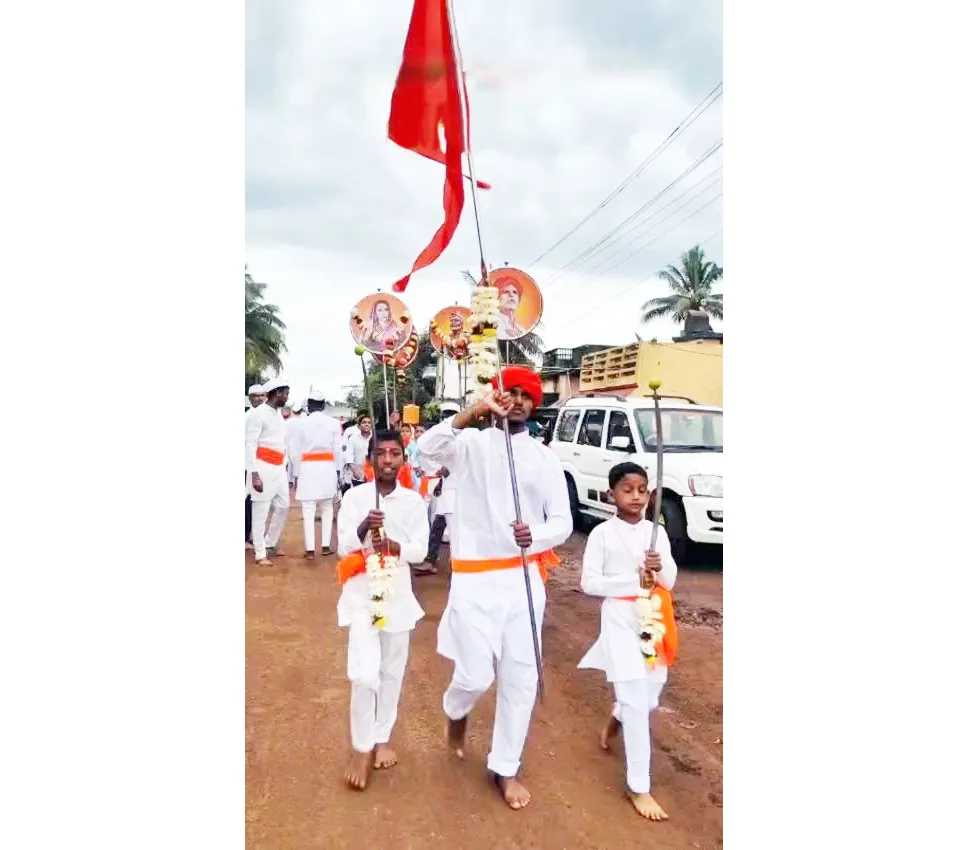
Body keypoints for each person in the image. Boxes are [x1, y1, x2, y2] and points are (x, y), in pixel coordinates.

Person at [416, 365, 573, 810]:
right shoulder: (470, 445)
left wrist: (535, 536)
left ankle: (505, 767)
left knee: (521, 677)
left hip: (523, 580)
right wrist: (472, 412)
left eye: (526, 394)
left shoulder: (545, 458)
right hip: (473, 579)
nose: (517, 400)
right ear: (495, 397)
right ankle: (456, 711)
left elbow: (562, 522)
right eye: (509, 392)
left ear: (534, 404)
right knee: (474, 675)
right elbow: (426, 452)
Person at [578, 461, 679, 822]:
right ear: (612, 494)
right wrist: (633, 580)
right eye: (627, 490)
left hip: (653, 617)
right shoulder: (602, 534)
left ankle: (616, 717)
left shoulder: (656, 533)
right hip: (620, 619)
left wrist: (659, 566)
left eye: (641, 490)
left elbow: (670, 581)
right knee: (637, 701)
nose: (635, 496)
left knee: (648, 697)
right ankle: (639, 786)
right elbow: (589, 583)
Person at [335, 429, 429, 791]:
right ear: (370, 459)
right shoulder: (355, 497)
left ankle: (381, 737)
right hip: (363, 596)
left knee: (391, 672)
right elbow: (344, 547)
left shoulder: (414, 501)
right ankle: (362, 748)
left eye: (394, 453)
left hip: (396, 596)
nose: (387, 459)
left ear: (404, 459)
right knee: (364, 675)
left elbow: (420, 550)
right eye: (381, 453)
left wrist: (393, 545)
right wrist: (365, 526)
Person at [245, 378, 291, 565]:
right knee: (261, 510)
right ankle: (260, 553)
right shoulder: (258, 414)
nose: (287, 397)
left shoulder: (278, 414)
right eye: (286, 393)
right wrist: (254, 474)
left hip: (279, 468)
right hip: (262, 466)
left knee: (283, 505)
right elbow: (250, 444)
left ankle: (270, 543)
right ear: (277, 393)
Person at [294, 390, 343, 559]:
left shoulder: (301, 423)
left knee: (308, 510)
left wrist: (295, 473)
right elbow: (338, 449)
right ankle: (325, 546)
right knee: (327, 508)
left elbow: (295, 450)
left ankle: (309, 550)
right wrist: (338, 471)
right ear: (323, 405)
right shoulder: (334, 423)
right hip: (327, 468)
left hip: (307, 468)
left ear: (309, 405)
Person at [245, 383, 266, 548]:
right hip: (248, 465)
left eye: (261, 395)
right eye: (256, 396)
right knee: (247, 500)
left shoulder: (266, 415)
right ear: (250, 398)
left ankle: (252, 535)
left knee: (256, 502)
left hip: (261, 465)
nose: (259, 398)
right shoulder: (248, 416)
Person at [342, 414, 372, 493]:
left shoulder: (375, 438)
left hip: (372, 474)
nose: (366, 424)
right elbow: (349, 455)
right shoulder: (353, 438)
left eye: (369, 423)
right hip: (358, 474)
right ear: (359, 425)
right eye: (364, 422)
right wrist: (354, 470)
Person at [493, 276, 529, 340]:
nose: (511, 295)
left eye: (515, 292)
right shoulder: (491, 322)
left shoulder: (521, 329)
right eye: (506, 292)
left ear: (519, 300)